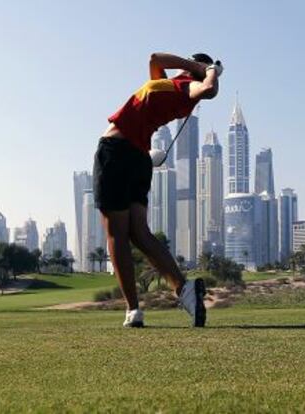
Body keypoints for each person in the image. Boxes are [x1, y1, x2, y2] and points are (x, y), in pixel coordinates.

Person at [93, 52, 222, 328]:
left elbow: (208, 88)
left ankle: (133, 310)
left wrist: (208, 71)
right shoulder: (167, 85)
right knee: (139, 232)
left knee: (117, 233)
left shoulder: (187, 88)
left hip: (116, 151)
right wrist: (199, 67)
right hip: (139, 158)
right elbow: (155, 60)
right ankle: (184, 290)